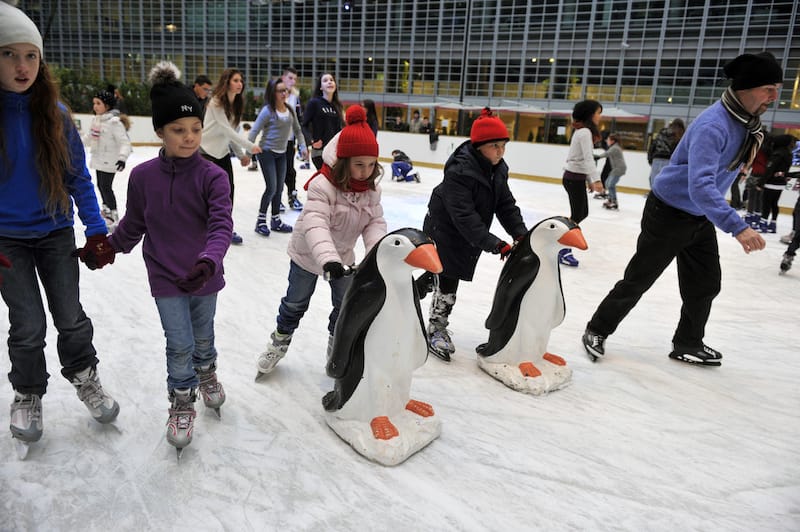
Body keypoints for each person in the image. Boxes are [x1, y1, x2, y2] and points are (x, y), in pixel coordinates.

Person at [582, 51, 782, 368]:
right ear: (746, 87)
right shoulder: (714, 125)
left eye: (776, 88)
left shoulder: (746, 124)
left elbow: (712, 185)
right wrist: (737, 226)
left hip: (699, 215)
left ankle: (688, 342)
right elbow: (700, 185)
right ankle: (596, 329)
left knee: (705, 283)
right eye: (768, 88)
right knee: (639, 279)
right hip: (669, 212)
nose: (775, 95)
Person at [76, 61, 233, 451]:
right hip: (165, 276)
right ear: (160, 131)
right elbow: (134, 224)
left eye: (195, 129)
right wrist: (107, 248)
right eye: (178, 130)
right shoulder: (144, 177)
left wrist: (208, 261)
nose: (189, 137)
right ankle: (182, 400)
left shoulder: (213, 176)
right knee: (178, 342)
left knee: (203, 336)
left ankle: (207, 370)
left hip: (205, 275)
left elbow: (220, 226)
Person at [0, 2, 120, 448]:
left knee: (69, 315)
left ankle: (85, 376)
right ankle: (28, 393)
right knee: (27, 323)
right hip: (6, 240)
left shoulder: (55, 112)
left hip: (54, 233)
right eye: (9, 54)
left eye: (31, 55)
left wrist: (95, 230)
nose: (22, 65)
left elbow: (77, 178)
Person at [256, 105, 386, 376]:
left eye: (371, 164)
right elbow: (316, 225)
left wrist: (377, 256)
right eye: (358, 164)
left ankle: (336, 346)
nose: (365, 171)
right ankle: (279, 341)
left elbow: (374, 223)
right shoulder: (323, 185)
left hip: (343, 260)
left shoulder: (371, 190)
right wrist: (328, 260)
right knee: (295, 303)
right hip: (308, 256)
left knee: (344, 306)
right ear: (344, 161)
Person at [416, 107, 527, 362]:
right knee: (449, 276)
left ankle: (416, 289)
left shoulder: (497, 168)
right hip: (444, 228)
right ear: (479, 147)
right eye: (495, 146)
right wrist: (494, 244)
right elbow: (464, 217)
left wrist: (520, 234)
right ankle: (437, 327)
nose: (500, 151)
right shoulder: (460, 171)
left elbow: (505, 204)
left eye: (503, 146)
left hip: (466, 231)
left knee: (442, 270)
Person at [200, 68, 262, 245]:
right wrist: (250, 146)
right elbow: (225, 128)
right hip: (206, 152)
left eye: (241, 80)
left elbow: (231, 132)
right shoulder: (216, 102)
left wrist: (242, 155)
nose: (239, 84)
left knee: (228, 191)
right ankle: (205, 228)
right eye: (235, 80)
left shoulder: (236, 104)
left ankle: (225, 228)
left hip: (222, 153)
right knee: (208, 194)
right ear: (227, 82)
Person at [248, 77, 307, 237]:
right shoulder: (268, 111)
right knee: (272, 188)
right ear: (272, 93)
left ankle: (275, 220)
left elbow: (298, 130)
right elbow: (254, 131)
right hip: (266, 152)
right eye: (280, 90)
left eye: (285, 90)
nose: (284, 93)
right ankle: (260, 221)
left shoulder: (290, 109)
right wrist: (247, 152)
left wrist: (302, 146)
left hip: (282, 154)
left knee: (280, 188)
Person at [560, 99, 605, 267]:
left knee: (580, 214)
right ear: (590, 114)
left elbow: (581, 159)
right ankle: (562, 248)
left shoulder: (582, 132)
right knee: (578, 215)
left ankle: (562, 245)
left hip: (575, 177)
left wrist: (588, 180)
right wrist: (596, 180)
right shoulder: (584, 132)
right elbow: (587, 158)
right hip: (573, 178)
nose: (600, 117)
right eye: (598, 113)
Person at [82, 88, 131, 230]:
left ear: (107, 106)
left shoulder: (114, 123)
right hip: (98, 159)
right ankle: (107, 212)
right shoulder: (96, 120)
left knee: (106, 187)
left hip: (110, 160)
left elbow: (124, 142)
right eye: (94, 103)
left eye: (98, 103)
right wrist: (76, 144)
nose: (95, 106)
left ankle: (114, 215)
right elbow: (89, 137)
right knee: (100, 186)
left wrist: (122, 158)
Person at [302, 72, 344, 170]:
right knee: (327, 182)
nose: (329, 82)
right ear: (320, 87)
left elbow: (339, 129)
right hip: (320, 152)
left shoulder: (337, 106)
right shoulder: (314, 103)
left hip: (335, 152)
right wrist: (312, 141)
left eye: (331, 80)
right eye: (325, 81)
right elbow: (304, 125)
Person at [755, 134, 796, 233]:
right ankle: (773, 224)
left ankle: (763, 224)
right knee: (774, 203)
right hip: (781, 183)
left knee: (766, 204)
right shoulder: (789, 154)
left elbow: (769, 169)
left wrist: (761, 183)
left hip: (771, 182)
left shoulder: (777, 154)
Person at [281, 66, 305, 210]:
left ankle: (292, 196)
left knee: (290, 170)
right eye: (290, 78)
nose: (293, 81)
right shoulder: (275, 94)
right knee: (278, 173)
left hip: (289, 141)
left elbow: (298, 119)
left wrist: (301, 142)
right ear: (283, 78)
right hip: (275, 142)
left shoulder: (295, 96)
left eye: (295, 79)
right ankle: (276, 199)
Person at [647, 118, 686, 189]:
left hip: (656, 159)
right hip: (669, 161)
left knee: (654, 183)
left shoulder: (662, 132)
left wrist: (650, 159)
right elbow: (679, 152)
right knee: (666, 185)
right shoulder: (681, 136)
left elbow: (653, 146)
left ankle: (653, 197)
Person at [597, 133, 627, 210]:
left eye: (608, 139)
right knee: (607, 183)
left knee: (610, 185)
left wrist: (598, 157)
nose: (607, 141)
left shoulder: (615, 148)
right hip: (616, 169)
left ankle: (614, 201)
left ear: (612, 141)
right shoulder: (614, 146)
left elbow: (607, 153)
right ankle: (611, 200)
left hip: (619, 168)